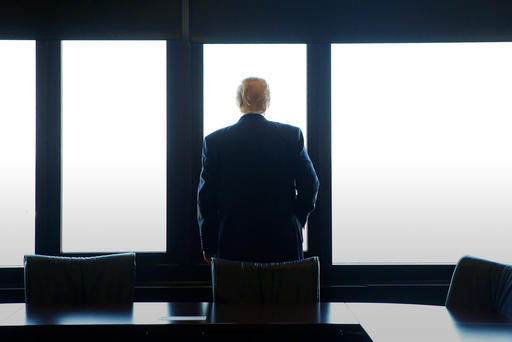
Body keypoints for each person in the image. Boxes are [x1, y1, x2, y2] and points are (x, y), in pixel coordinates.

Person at [197, 77, 319, 263]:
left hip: (233, 241)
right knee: (284, 291)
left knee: (237, 292)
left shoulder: (215, 142)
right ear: (267, 102)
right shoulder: (291, 136)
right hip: (283, 239)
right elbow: (310, 185)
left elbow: (205, 198)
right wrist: (294, 219)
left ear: (239, 101)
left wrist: (209, 243)